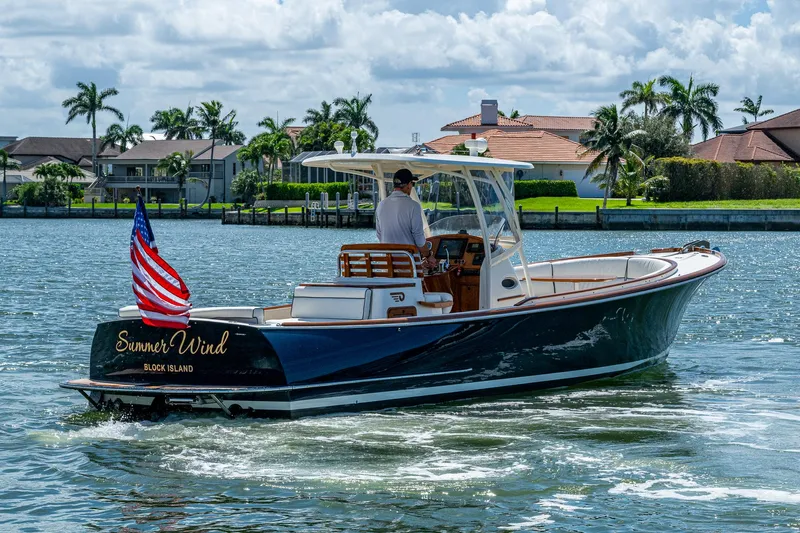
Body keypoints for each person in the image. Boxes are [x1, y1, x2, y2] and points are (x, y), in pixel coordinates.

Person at [376, 168, 436, 266]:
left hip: (387, 266)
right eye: (412, 184)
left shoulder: (381, 205)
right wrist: (429, 256)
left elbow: (379, 235)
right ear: (408, 185)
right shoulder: (413, 206)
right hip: (408, 266)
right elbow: (419, 239)